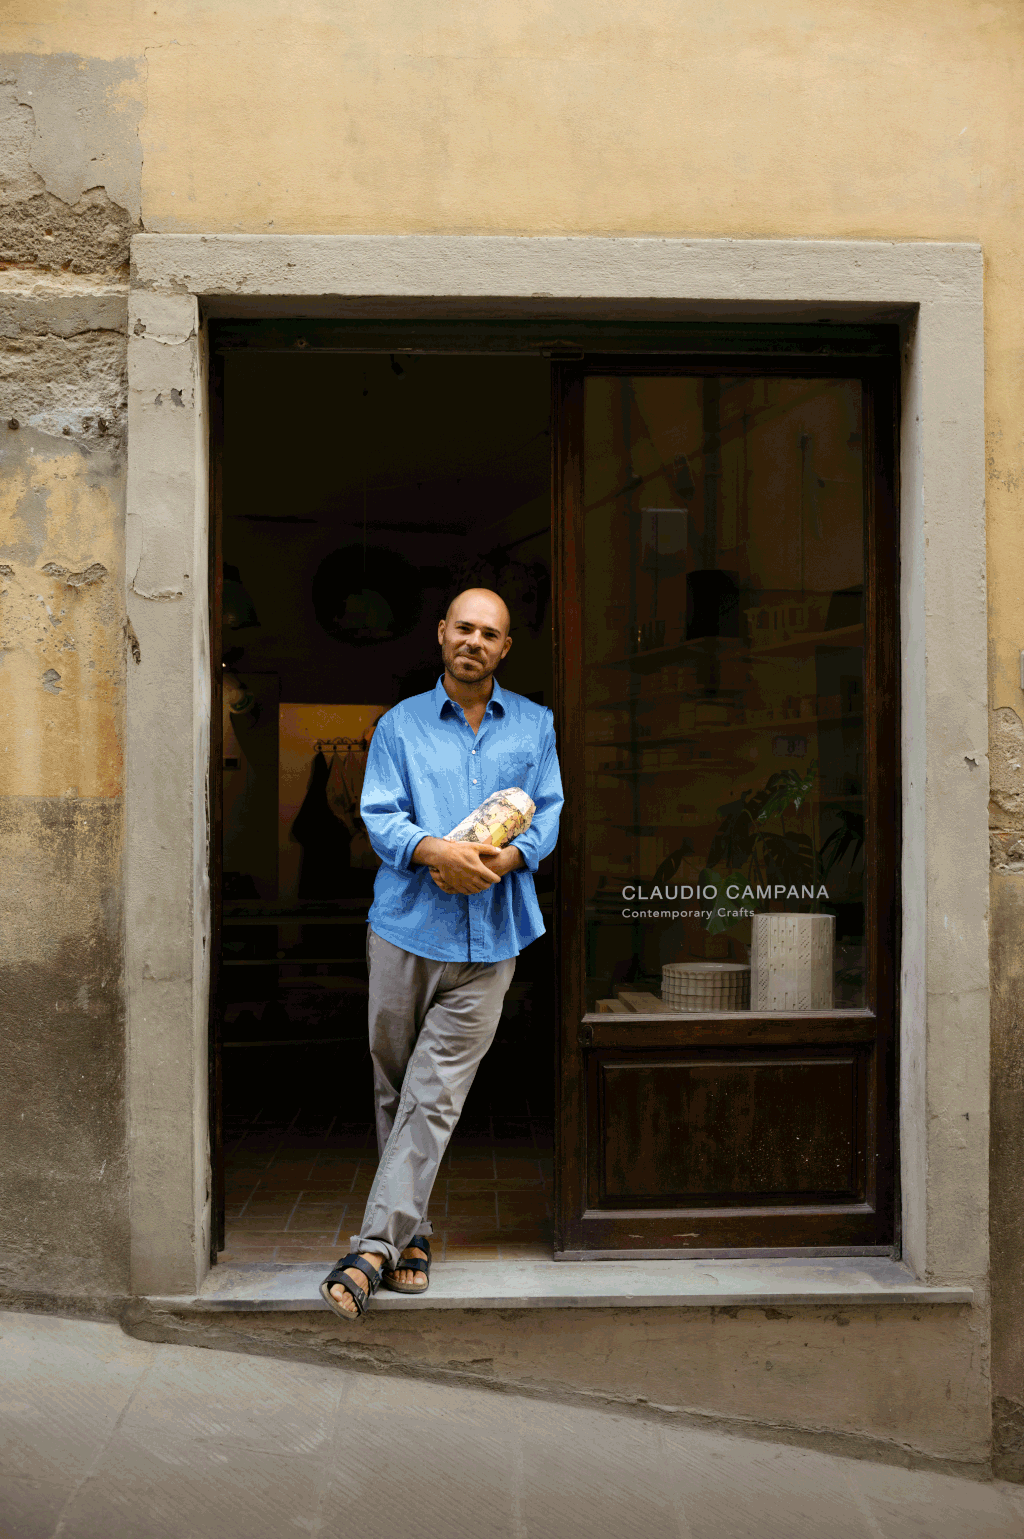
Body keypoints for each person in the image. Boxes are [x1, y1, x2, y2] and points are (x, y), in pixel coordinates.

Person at [320, 587, 563, 1319]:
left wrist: (503, 861)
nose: (475, 641)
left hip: (493, 936)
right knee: (395, 1086)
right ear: (441, 634)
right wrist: (437, 852)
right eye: (465, 628)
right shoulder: (397, 726)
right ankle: (413, 1235)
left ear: (505, 648)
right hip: (405, 929)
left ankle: (370, 1249)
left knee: (435, 1093)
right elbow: (380, 817)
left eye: (491, 633)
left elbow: (546, 814)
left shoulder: (536, 725)